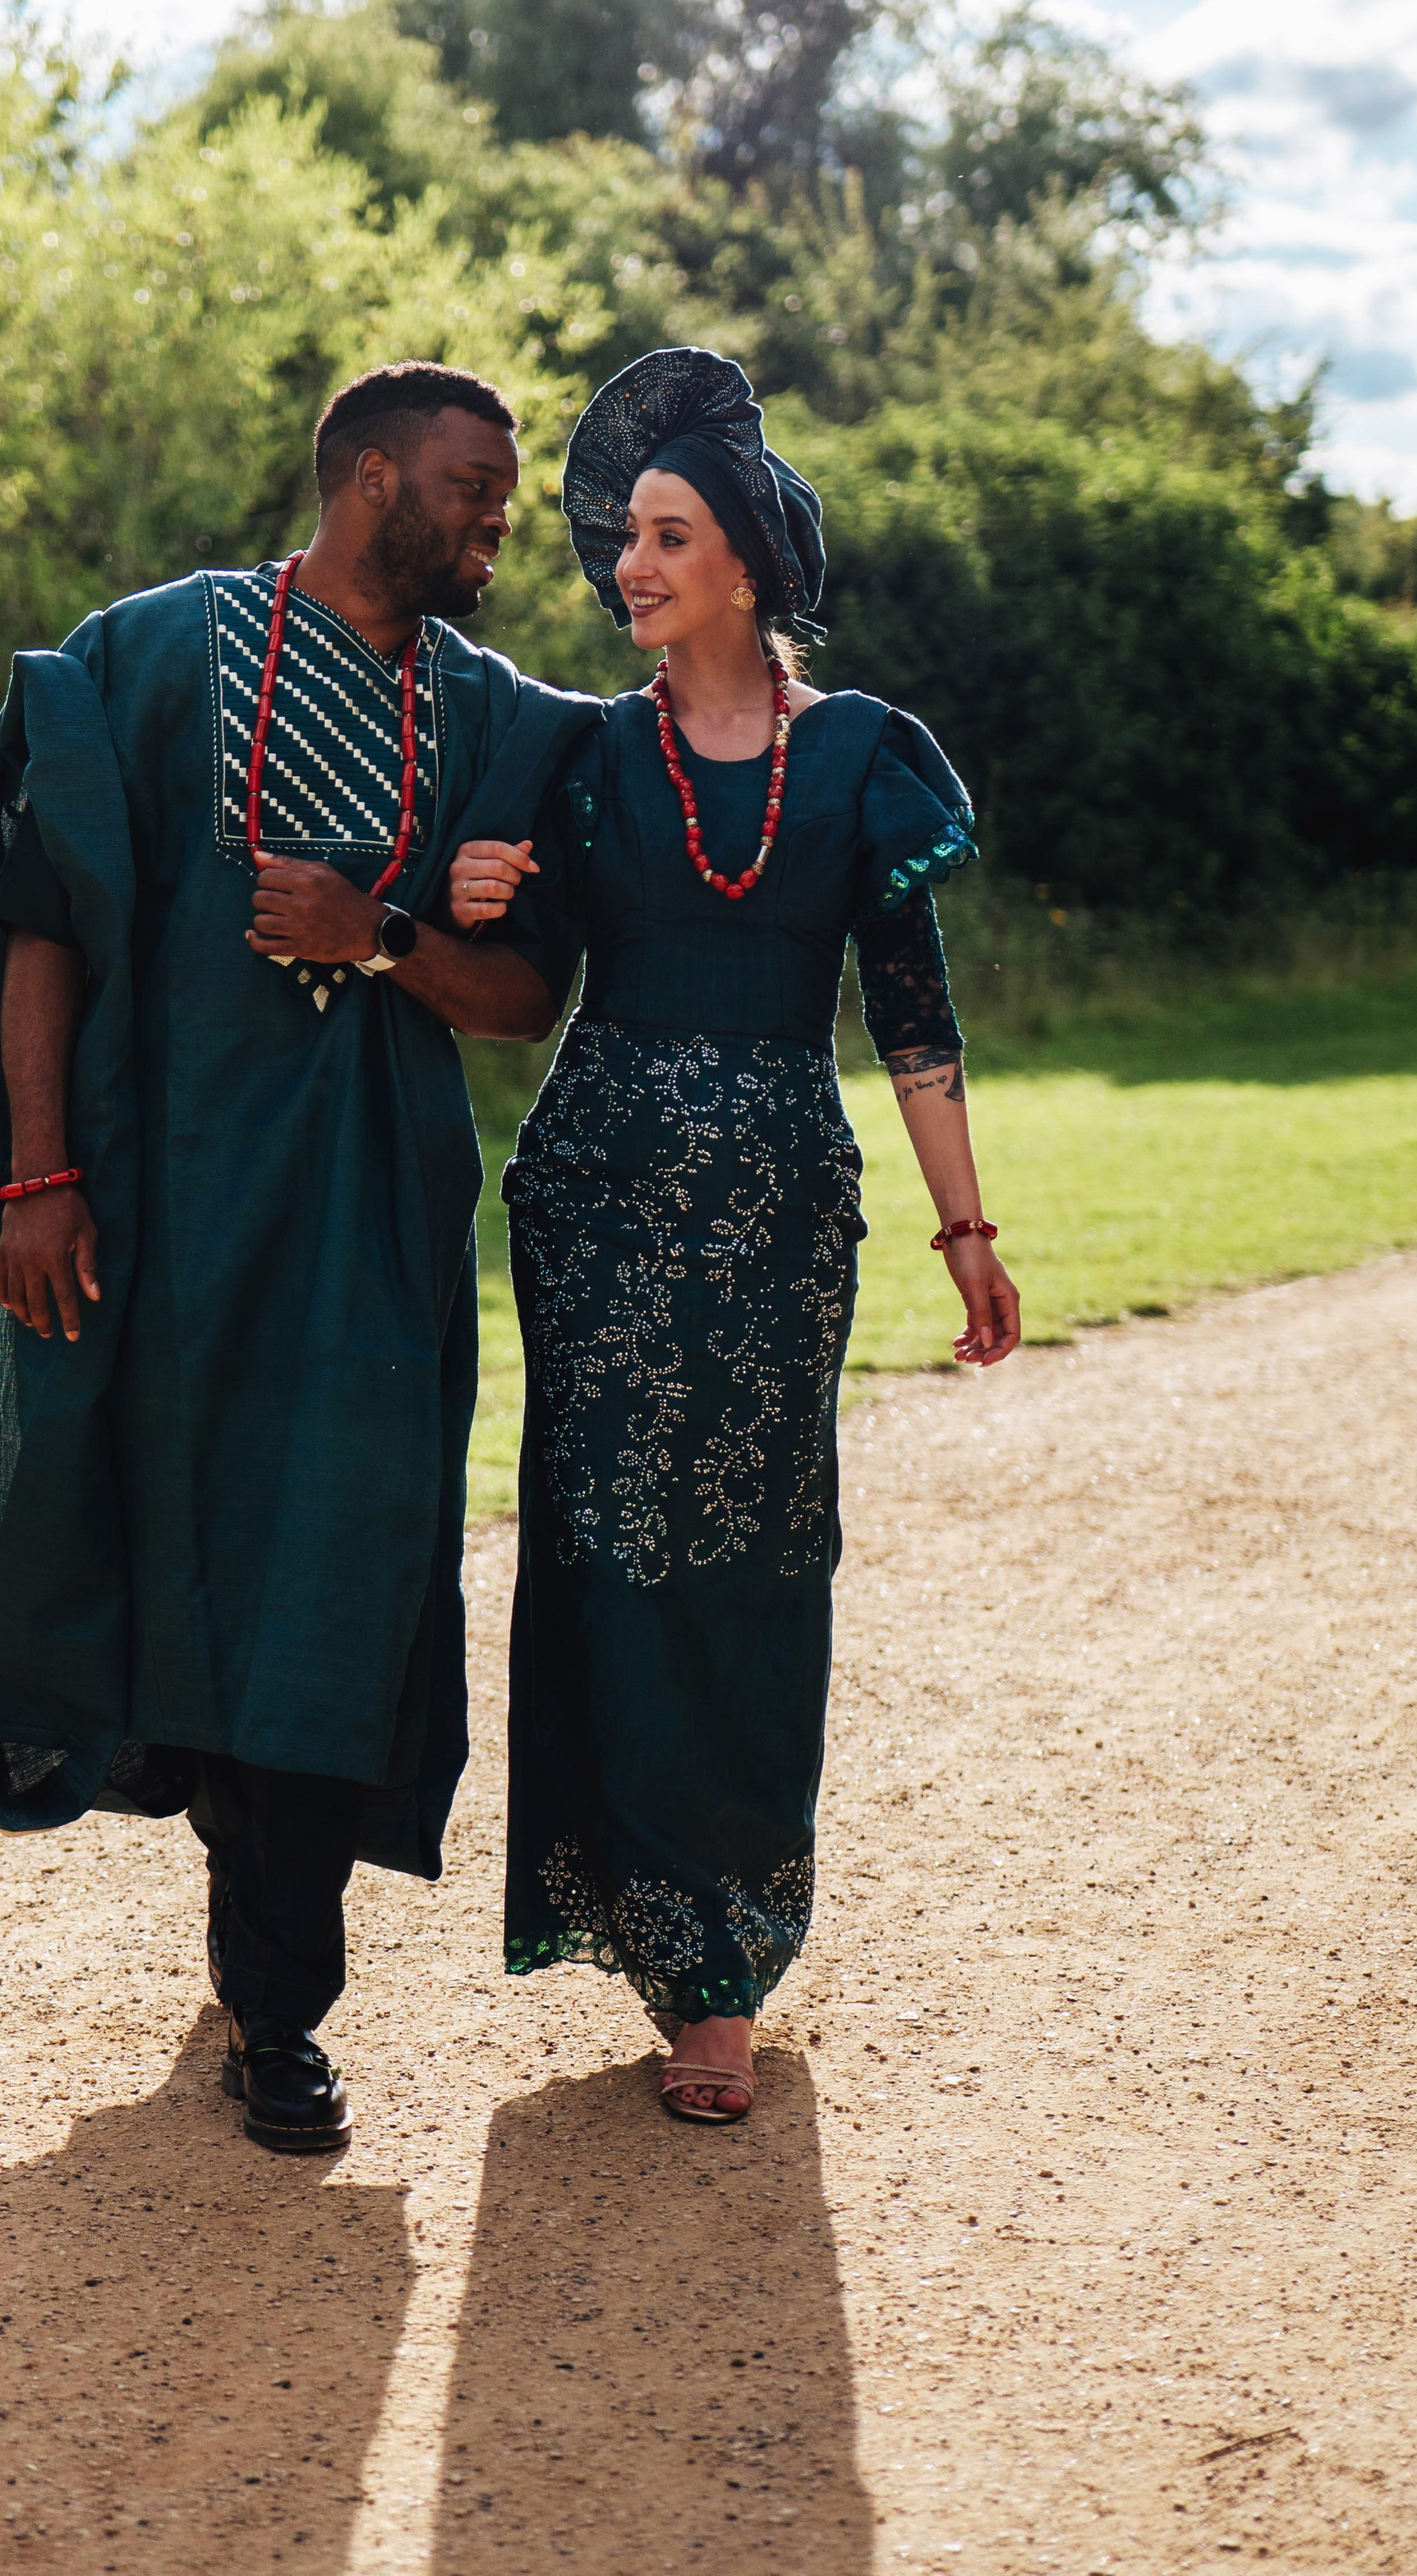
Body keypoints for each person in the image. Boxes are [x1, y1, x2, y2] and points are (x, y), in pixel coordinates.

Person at [0, 363, 595, 2156]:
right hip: (165, 1213)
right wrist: (38, 1175)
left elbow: (522, 998)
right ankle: (228, 1863)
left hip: (370, 1236)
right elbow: (44, 929)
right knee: (170, 1550)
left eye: (504, 493)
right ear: (371, 479)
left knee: (338, 1570)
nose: (498, 520)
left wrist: (381, 934)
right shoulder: (151, 655)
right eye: (472, 485)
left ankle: (281, 2013)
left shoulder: (492, 716)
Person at [447, 347, 1021, 2127]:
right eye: (624, 536)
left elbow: (911, 1016)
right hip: (598, 1200)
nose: (629, 564)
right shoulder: (579, 753)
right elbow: (518, 989)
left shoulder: (857, 758)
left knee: (757, 1565)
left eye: (667, 537)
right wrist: (465, 894)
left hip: (779, 1211)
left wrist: (965, 1229)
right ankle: (646, 1932)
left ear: (748, 566)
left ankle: (725, 1972)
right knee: (612, 1555)